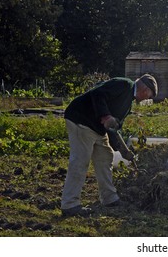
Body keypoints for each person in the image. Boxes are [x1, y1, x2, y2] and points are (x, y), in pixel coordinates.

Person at [61, 74, 158, 217]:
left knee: (105, 158)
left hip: (97, 128)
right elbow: (97, 93)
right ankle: (70, 205)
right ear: (145, 89)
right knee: (80, 161)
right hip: (81, 120)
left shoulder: (128, 103)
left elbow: (113, 129)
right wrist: (105, 116)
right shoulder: (124, 84)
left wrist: (123, 150)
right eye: (149, 96)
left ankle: (109, 198)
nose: (146, 99)